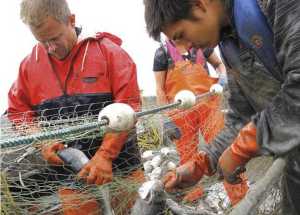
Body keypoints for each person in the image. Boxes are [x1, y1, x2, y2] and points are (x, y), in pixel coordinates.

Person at [143, 0, 300, 213]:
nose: (185, 47)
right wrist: (201, 164)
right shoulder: (229, 43)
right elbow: (240, 119)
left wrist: (241, 149)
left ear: (199, 4)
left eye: (181, 35)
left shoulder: (280, 5)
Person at [7, 0, 143, 214]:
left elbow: (129, 104)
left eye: (54, 38)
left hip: (122, 163)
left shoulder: (110, 52)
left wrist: (105, 156)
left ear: (71, 20)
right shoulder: (28, 66)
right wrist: (42, 140)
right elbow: (18, 113)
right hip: (69, 173)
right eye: (42, 42)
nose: (50, 48)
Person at [153, 37, 247, 204]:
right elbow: (160, 89)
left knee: (225, 149)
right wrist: (165, 119)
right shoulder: (162, 53)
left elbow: (219, 65)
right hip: (181, 114)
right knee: (187, 155)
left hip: (208, 107)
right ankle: (194, 195)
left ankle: (240, 196)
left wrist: (223, 77)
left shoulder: (201, 44)